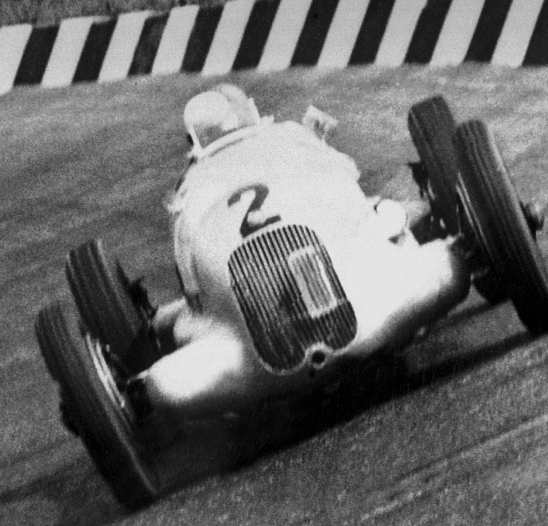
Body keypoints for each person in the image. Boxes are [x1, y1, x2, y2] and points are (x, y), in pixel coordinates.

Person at [131, 84, 473, 417]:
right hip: (362, 304)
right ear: (251, 112)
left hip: (250, 364)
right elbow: (346, 173)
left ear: (191, 140)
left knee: (162, 385)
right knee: (433, 251)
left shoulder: (189, 185)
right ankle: (451, 222)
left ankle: (135, 379)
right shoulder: (287, 135)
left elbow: (192, 294)